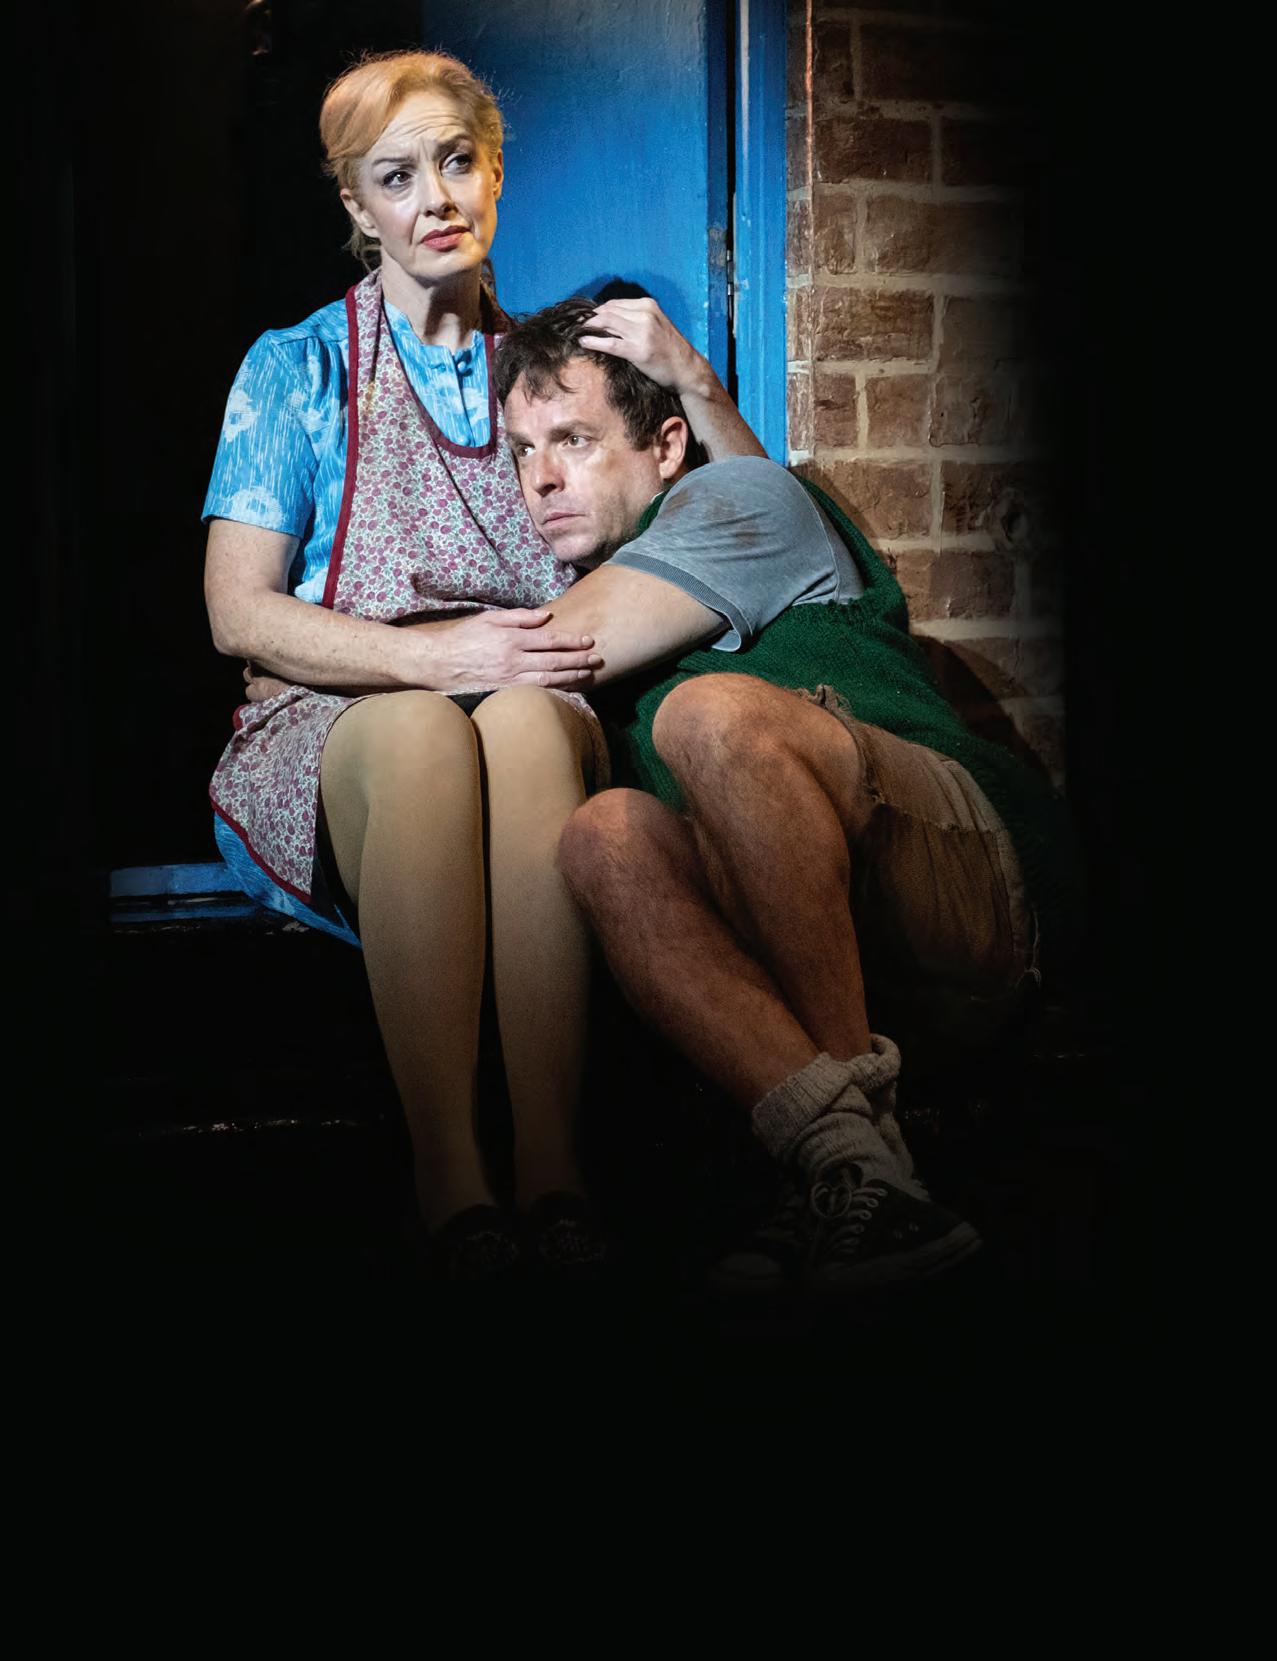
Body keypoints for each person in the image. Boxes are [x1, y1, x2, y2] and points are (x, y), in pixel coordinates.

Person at [201, 51, 757, 1288]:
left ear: (496, 172)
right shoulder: (298, 367)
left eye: (457, 161)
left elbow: (749, 517)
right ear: (356, 206)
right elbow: (236, 613)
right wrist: (424, 654)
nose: (436, 198)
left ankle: (552, 1162)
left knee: (516, 720)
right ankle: (450, 1170)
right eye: (396, 177)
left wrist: (692, 378)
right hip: (350, 715)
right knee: (423, 732)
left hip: (524, 702)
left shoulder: (552, 367)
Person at [485, 297, 1079, 1298]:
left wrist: (322, 659)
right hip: (831, 944)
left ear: (666, 446)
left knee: (710, 714)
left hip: (976, 889)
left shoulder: (739, 495)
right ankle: (850, 1164)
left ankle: (861, 1155)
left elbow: (539, 651)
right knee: (601, 836)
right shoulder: (614, 582)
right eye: (520, 451)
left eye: (573, 440)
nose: (539, 477)